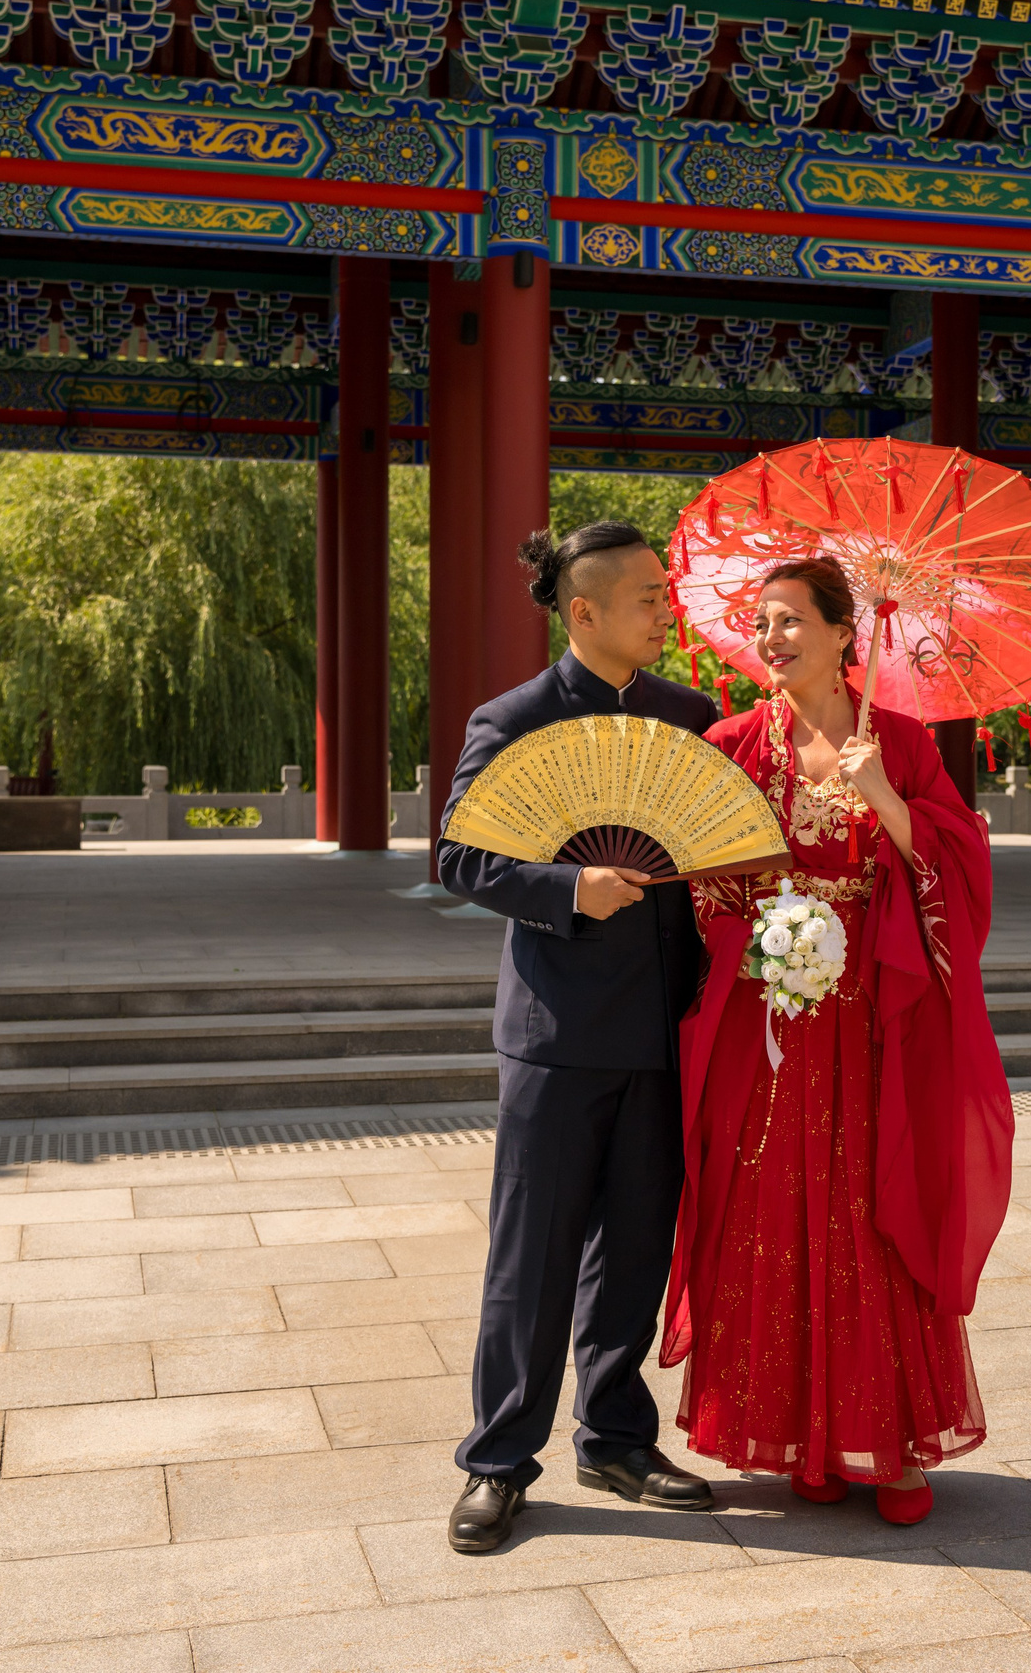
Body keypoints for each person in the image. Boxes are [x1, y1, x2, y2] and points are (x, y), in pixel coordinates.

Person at [662, 556, 1014, 1526]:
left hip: (872, 1019)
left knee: (871, 1208)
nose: (770, 639)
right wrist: (753, 931)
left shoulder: (899, 741)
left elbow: (961, 873)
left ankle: (892, 1446)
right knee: (773, 1213)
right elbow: (701, 878)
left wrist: (889, 803)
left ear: (839, 632)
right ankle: (803, 1436)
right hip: (768, 1016)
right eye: (759, 623)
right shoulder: (733, 742)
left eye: (788, 622)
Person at [438, 519, 722, 1555]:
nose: (665, 610)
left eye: (665, 594)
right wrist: (569, 887)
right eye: (648, 596)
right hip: (555, 1032)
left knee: (637, 1247)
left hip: (665, 1026)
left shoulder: (689, 716)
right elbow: (462, 856)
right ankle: (497, 1463)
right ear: (585, 611)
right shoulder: (512, 718)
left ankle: (615, 1436)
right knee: (533, 1255)